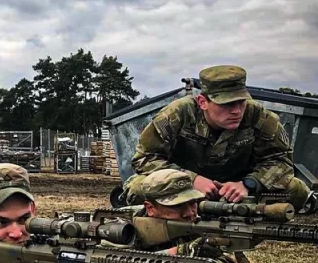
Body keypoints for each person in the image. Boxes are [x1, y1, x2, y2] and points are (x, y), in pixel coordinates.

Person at [128, 65, 311, 210]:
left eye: (241, 102)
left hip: (239, 190)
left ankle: (247, 226)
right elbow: (145, 159)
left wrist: (249, 184)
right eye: (227, 104)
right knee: (137, 188)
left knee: (297, 190)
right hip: (183, 189)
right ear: (203, 102)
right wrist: (190, 179)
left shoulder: (259, 116)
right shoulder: (177, 114)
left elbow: (281, 161)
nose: (237, 110)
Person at [106, 169, 236, 263]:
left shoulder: (195, 222)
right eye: (177, 206)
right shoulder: (120, 223)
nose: (189, 213)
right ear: (150, 208)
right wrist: (185, 252)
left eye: (192, 203)